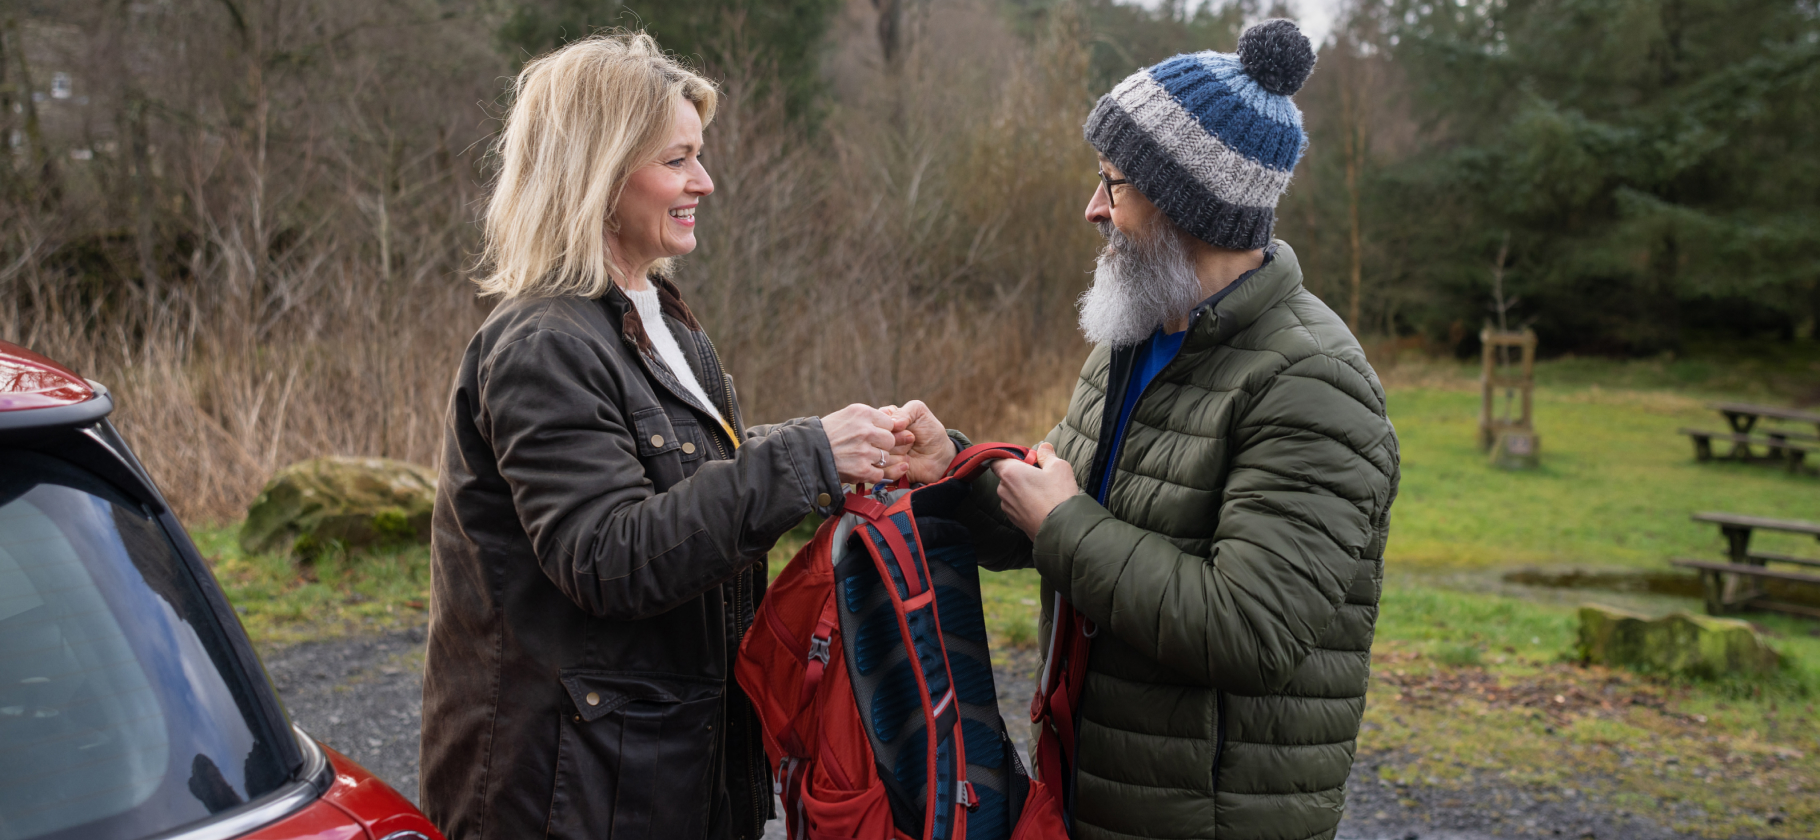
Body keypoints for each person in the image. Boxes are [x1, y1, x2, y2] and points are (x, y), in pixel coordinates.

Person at [891, 20, 1401, 840]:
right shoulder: (1134, 333)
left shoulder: (1313, 384)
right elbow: (1061, 521)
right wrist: (955, 466)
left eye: (1113, 184)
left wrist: (1061, 521)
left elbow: (1249, 631)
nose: (1092, 206)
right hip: (1097, 794)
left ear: (1184, 205)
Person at [419, 33, 915, 840]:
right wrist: (805, 459)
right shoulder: (543, 344)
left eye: (700, 156)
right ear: (601, 172)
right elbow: (607, 555)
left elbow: (683, 476)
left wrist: (845, 444)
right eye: (678, 160)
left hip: (657, 771)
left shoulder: (662, 318)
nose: (704, 182)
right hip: (565, 792)